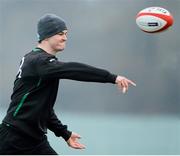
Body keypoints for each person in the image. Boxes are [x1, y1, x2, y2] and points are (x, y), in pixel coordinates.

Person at [0, 13, 136, 155]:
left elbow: (42, 107)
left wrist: (64, 133)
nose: (65, 38)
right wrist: (111, 77)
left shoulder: (38, 61)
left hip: (34, 140)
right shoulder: (39, 61)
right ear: (46, 36)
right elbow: (73, 70)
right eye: (60, 34)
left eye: (65, 34)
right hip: (13, 138)